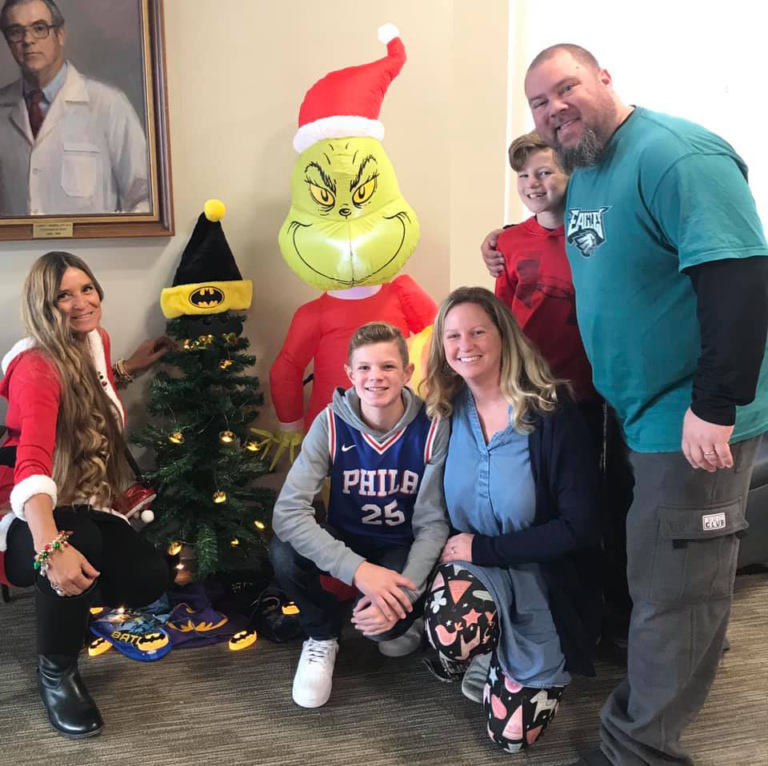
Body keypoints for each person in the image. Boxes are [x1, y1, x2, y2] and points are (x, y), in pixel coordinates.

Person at [481, 44, 768, 766]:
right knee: (666, 573)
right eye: (540, 103)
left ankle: (636, 748)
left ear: (605, 79)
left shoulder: (677, 156)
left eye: (565, 88)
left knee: (676, 589)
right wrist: (504, 246)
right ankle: (677, 665)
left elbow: (739, 282)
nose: (554, 109)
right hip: (631, 411)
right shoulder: (589, 173)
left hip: (691, 419)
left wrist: (716, 403)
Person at [421, 286, 602, 754]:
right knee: (451, 630)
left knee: (512, 740)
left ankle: (507, 654)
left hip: (540, 578)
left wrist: (485, 548)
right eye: (453, 336)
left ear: (504, 336)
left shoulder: (553, 412)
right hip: (474, 572)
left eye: (478, 331)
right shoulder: (444, 410)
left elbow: (578, 527)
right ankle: (482, 647)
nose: (465, 346)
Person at [0, 251, 173, 738]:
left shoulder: (94, 342)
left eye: (87, 288)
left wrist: (129, 366)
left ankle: (70, 605)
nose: (80, 303)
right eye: (63, 296)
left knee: (147, 576)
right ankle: (56, 672)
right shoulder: (36, 369)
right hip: (27, 512)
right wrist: (50, 548)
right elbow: (32, 461)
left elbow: (88, 392)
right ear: (42, 306)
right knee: (80, 549)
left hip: (84, 499)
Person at [486, 129, 633, 645]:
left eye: (546, 171)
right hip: (530, 395)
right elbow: (501, 316)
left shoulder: (594, 232)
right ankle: (544, 609)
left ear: (572, 175)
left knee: (593, 506)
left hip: (590, 397)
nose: (533, 183)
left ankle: (604, 613)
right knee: (537, 502)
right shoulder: (507, 243)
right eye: (524, 175)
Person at [269, 322, 449, 708]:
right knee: (283, 550)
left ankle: (402, 619)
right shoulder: (330, 423)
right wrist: (358, 571)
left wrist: (404, 592)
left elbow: (433, 524)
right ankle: (320, 634)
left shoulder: (432, 427)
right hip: (347, 537)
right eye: (364, 368)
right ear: (349, 374)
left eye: (387, 366)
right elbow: (288, 513)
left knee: (387, 637)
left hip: (402, 545)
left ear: (407, 373)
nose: (375, 377)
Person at [0, 0, 149, 216]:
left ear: (60, 35)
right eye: (16, 31)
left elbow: (144, 199)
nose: (28, 40)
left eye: (39, 28)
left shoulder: (108, 105)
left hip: (91, 249)